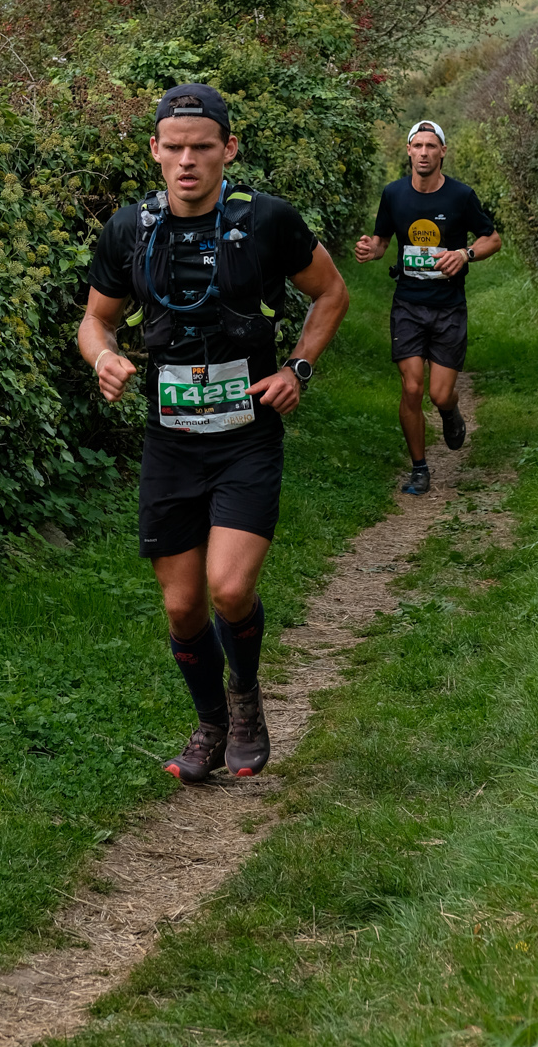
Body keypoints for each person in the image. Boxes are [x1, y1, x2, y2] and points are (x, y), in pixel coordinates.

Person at [78, 84, 349, 785]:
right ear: (154, 151)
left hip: (245, 434)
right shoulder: (129, 230)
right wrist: (103, 357)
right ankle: (210, 724)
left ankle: (246, 699)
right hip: (171, 440)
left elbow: (330, 291)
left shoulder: (267, 221)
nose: (187, 161)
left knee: (229, 590)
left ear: (228, 149)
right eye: (174, 148)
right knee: (181, 605)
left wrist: (297, 367)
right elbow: (96, 319)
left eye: (202, 147)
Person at [354, 119, 501, 495]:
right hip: (408, 304)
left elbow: (492, 239)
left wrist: (465, 254)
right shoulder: (393, 194)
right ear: (408, 151)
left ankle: (449, 411)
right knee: (412, 388)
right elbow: (382, 242)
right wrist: (371, 250)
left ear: (442, 152)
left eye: (431, 146)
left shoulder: (460, 196)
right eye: (417, 146)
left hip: (449, 306)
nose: (423, 153)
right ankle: (419, 468)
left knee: (439, 394)